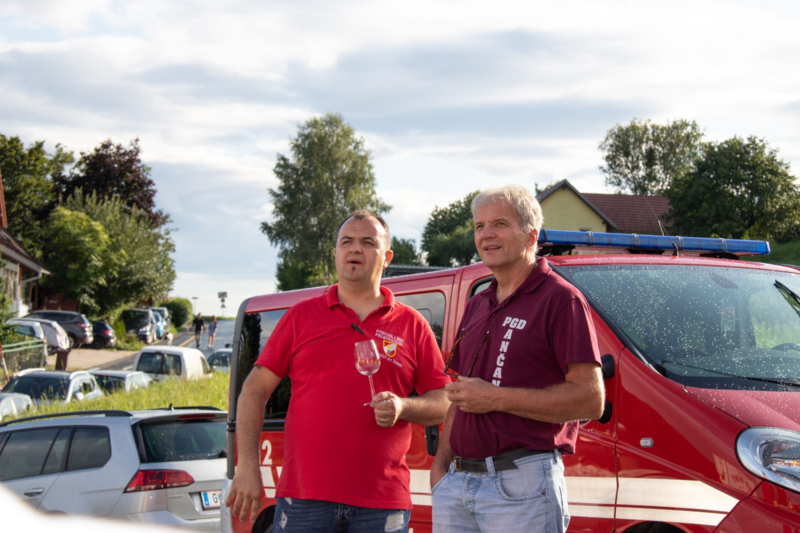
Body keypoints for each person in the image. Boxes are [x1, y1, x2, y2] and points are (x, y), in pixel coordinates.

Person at [225, 210, 451, 533]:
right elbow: (253, 390)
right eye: (347, 241)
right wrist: (247, 466)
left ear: (387, 258)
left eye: (367, 242)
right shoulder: (300, 317)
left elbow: (444, 401)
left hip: (382, 502)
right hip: (304, 500)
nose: (355, 248)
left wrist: (403, 407)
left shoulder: (412, 324)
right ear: (335, 254)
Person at [430, 185, 604, 533]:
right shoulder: (477, 303)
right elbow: (461, 395)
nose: (486, 234)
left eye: (499, 224)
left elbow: (590, 400)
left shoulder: (562, 299)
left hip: (521, 483)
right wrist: (441, 467)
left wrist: (496, 398)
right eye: (479, 226)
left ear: (531, 236)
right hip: (457, 483)